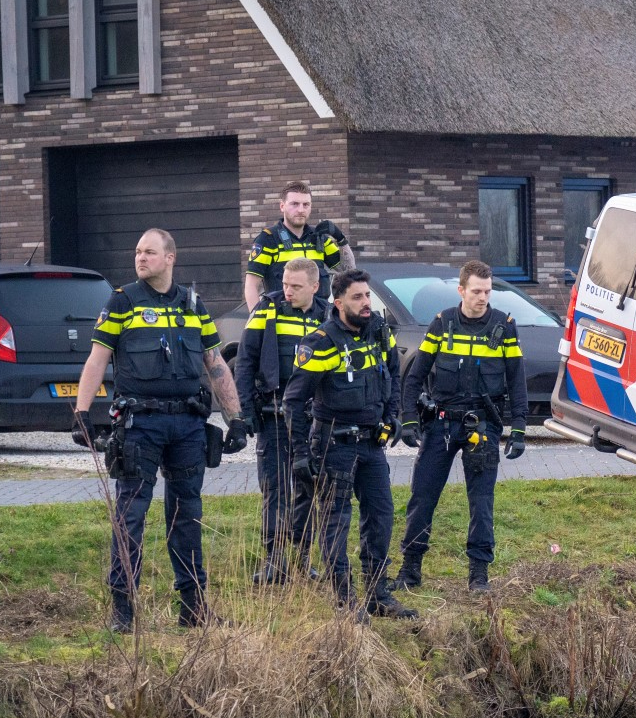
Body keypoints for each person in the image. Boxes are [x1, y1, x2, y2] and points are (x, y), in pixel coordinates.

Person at [72, 229, 251, 633]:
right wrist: (82, 413)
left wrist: (234, 417)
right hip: (140, 426)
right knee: (131, 515)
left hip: (188, 425)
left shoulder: (193, 304)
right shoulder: (123, 301)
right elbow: (97, 359)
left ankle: (193, 608)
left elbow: (215, 363)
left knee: (187, 516)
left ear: (170, 257)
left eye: (149, 252)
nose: (140, 257)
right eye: (137, 251)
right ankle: (123, 610)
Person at [283, 268, 415, 621]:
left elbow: (392, 376)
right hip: (334, 445)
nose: (366, 303)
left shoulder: (378, 333)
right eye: (357, 297)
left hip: (372, 444)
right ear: (338, 303)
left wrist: (393, 416)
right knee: (336, 522)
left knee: (382, 516)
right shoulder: (320, 342)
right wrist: (299, 454)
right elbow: (293, 402)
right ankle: (344, 600)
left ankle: (377, 594)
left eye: (368, 296)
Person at [390, 260, 529, 594]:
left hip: (483, 424)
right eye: (476, 291)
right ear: (462, 291)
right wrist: (409, 420)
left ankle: (478, 576)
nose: (483, 298)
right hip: (442, 424)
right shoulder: (442, 323)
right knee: (422, 497)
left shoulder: (504, 326)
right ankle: (410, 571)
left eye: (487, 291)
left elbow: (516, 381)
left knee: (481, 503)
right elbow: (414, 377)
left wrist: (520, 428)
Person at [235, 256, 327, 583]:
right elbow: (244, 361)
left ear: (315, 287)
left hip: (312, 419)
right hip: (273, 414)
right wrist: (244, 410)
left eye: (296, 286)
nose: (287, 291)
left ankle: (302, 557)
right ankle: (274, 560)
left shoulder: (328, 315)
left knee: (308, 487)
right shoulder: (267, 309)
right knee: (275, 488)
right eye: (285, 284)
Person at [243, 179, 352, 310]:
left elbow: (348, 272)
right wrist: (257, 322)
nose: (301, 210)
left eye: (306, 205)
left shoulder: (319, 237)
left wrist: (341, 240)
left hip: (319, 322)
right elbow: (251, 285)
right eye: (295, 204)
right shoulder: (268, 239)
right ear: (282, 206)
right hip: (283, 322)